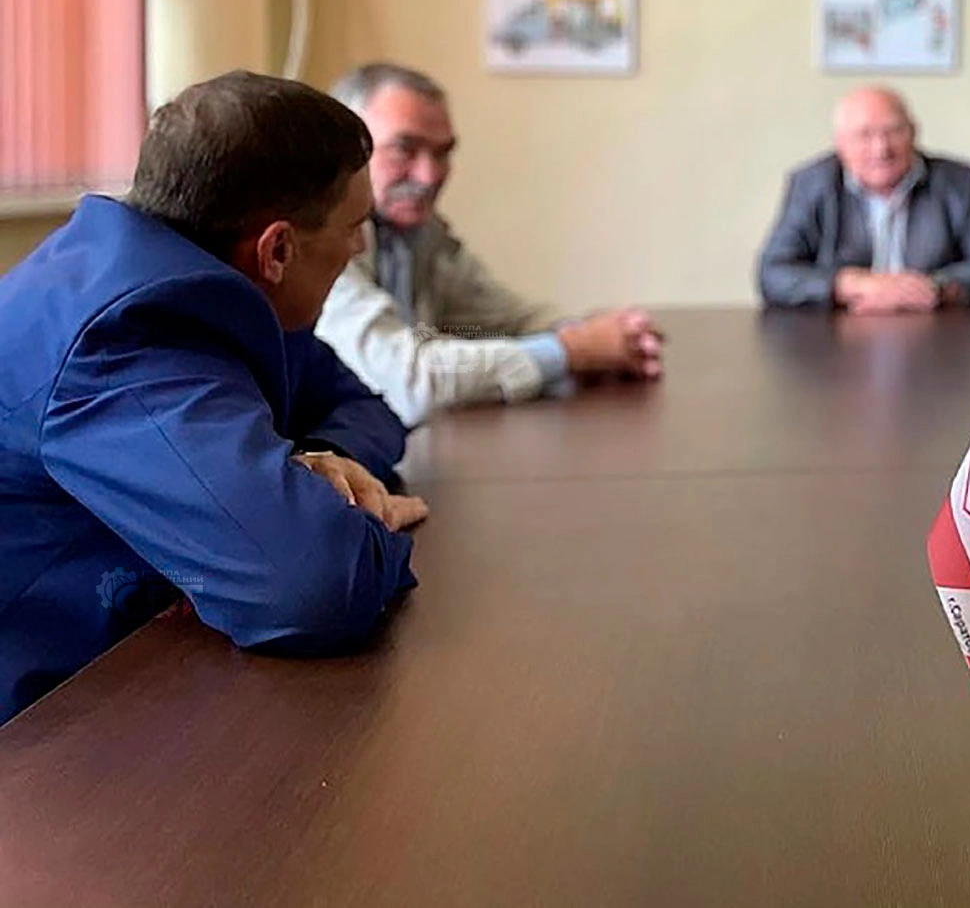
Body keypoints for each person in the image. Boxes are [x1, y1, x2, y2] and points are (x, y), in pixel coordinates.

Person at [0, 71, 423, 725]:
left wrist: (324, 464)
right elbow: (313, 586)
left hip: (140, 674)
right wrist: (330, 510)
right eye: (354, 224)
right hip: (46, 733)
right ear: (278, 248)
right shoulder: (126, 338)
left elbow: (368, 410)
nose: (360, 245)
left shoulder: (218, 290)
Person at [315, 63, 663, 428]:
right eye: (405, 149)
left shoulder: (420, 232)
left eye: (442, 153)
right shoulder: (321, 239)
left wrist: (609, 336)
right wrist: (573, 350)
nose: (429, 175)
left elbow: (503, 321)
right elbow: (409, 383)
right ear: (344, 152)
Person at [758, 86, 970, 312]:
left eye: (893, 131)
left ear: (914, 132)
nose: (881, 149)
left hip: (936, 332)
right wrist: (851, 285)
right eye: (864, 134)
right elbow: (773, 274)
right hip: (837, 337)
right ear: (840, 143)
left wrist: (929, 289)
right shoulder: (812, 183)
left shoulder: (956, 182)